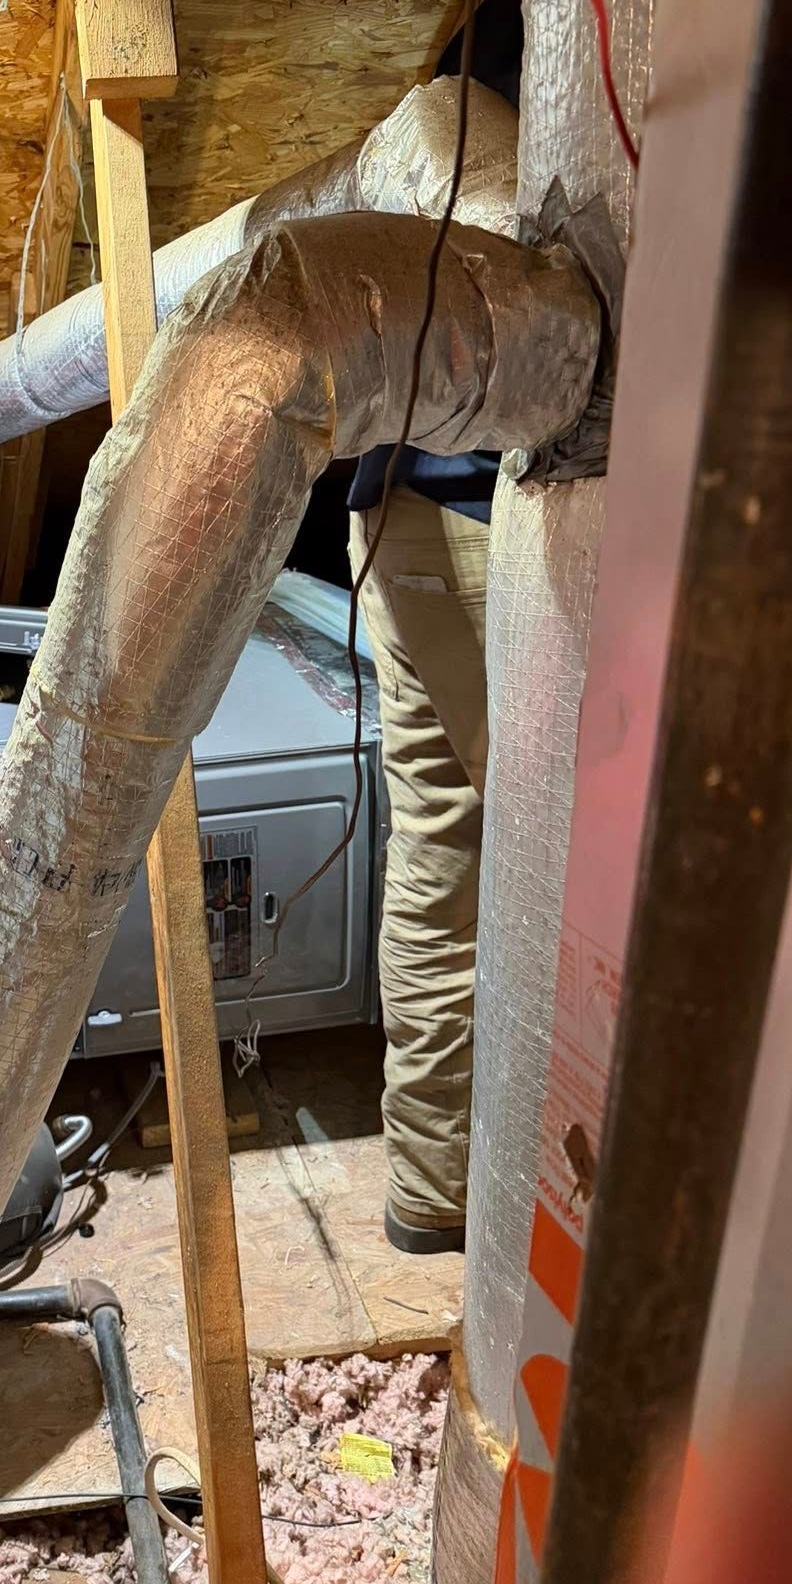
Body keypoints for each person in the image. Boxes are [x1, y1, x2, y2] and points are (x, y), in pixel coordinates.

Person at [349, 447, 493, 1253]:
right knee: (589, 864)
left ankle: (433, 1191)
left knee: (441, 866)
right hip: (497, 520)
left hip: (397, 515)